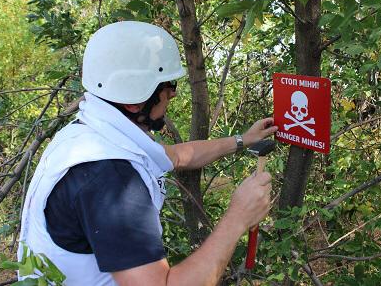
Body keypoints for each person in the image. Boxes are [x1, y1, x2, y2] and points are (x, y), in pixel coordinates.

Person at [18, 21, 278, 286]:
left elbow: (177, 156)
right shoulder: (110, 179)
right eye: (168, 85)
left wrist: (242, 139)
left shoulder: (90, 134)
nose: (173, 94)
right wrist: (238, 216)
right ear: (135, 100)